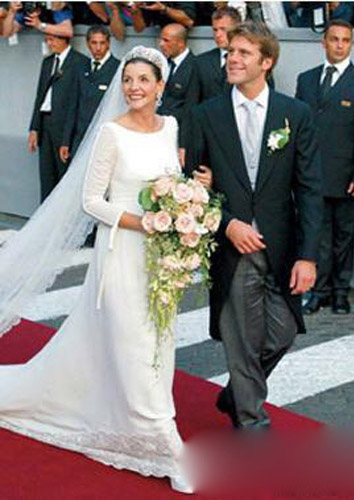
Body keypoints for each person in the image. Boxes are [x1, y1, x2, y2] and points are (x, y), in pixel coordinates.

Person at [0, 46, 193, 494]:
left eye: (144, 80)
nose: (134, 88)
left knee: (157, 341)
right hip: (122, 250)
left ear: (160, 86)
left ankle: (140, 415)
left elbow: (172, 180)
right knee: (133, 340)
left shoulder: (172, 126)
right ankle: (168, 447)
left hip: (162, 256)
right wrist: (140, 222)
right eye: (128, 80)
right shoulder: (111, 133)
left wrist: (186, 206)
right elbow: (92, 201)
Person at [186, 22, 323, 431]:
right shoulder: (205, 114)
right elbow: (193, 187)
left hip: (281, 247)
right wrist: (227, 225)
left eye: (244, 53)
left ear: (267, 62)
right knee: (242, 339)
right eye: (231, 51)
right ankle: (251, 421)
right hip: (232, 247)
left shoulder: (294, 114)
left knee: (282, 333)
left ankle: (235, 394)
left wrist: (308, 256)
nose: (232, 58)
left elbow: (310, 189)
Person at [296, 20, 354, 315]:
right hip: (312, 175)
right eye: (334, 39)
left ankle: (340, 293)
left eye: (345, 40)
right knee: (316, 236)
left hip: (347, 176)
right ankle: (318, 292)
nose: (339, 45)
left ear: (351, 44)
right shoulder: (307, 79)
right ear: (323, 42)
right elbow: (299, 128)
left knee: (344, 238)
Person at [28, 34, 88, 201]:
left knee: (64, 177)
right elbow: (40, 96)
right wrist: (34, 127)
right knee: (46, 176)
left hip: (65, 128)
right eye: (47, 39)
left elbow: (78, 100)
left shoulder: (79, 62)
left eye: (52, 39)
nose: (49, 43)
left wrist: (69, 137)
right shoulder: (48, 62)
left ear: (64, 39)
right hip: (45, 124)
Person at [60, 25, 120, 163]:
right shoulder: (81, 67)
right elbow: (73, 106)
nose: (98, 47)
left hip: (104, 140)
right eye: (94, 43)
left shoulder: (118, 68)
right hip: (80, 139)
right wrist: (66, 141)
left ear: (109, 43)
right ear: (88, 44)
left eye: (102, 43)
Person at [158, 23, 199, 146]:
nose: (161, 44)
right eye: (160, 39)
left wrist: (184, 143)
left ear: (181, 43)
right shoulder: (163, 64)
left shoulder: (195, 66)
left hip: (178, 136)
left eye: (166, 40)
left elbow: (191, 108)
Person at [195, 6, 241, 103]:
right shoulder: (200, 62)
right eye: (215, 30)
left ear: (237, 29)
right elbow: (192, 103)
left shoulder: (253, 59)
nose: (218, 35)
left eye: (223, 29)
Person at [2, 1, 73, 39]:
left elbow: (68, 31)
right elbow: (7, 33)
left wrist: (40, 25)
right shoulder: (24, 7)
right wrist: (12, 12)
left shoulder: (53, 4)